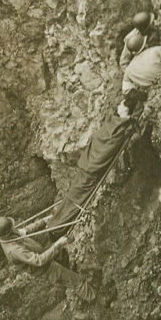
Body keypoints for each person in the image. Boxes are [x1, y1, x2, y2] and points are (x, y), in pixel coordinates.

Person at [45, 95, 141, 238]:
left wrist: (92, 165)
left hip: (91, 168)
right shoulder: (115, 120)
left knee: (76, 199)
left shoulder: (121, 129)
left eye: (121, 105)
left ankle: (57, 229)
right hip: (87, 164)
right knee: (71, 196)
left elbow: (106, 151)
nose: (118, 106)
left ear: (126, 109)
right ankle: (54, 224)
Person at [0, 216, 96, 303]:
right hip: (46, 268)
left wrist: (44, 221)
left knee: (63, 259)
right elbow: (39, 261)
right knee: (77, 281)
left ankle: (69, 274)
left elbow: (26, 230)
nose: (14, 228)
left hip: (44, 255)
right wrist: (57, 245)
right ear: (7, 232)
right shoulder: (14, 250)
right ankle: (93, 298)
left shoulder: (10, 235)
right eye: (12, 227)